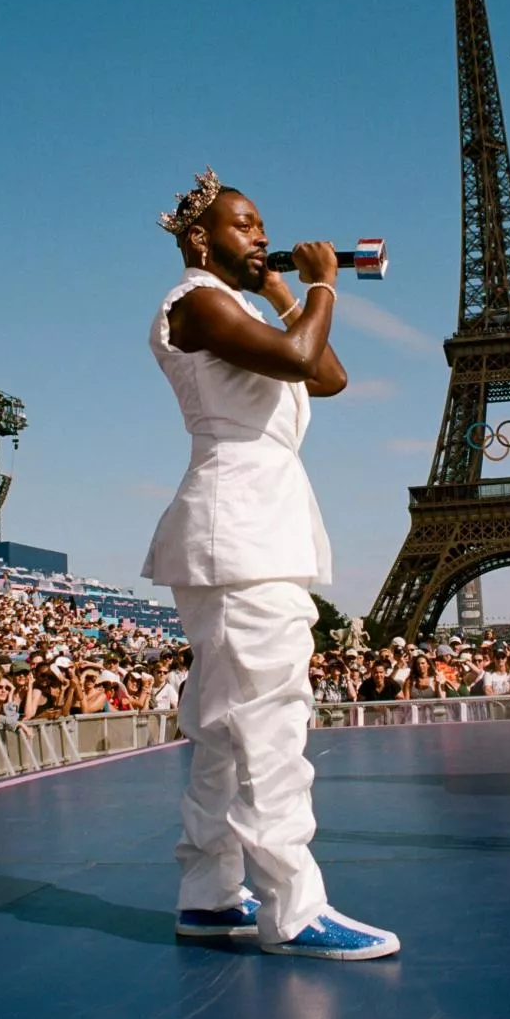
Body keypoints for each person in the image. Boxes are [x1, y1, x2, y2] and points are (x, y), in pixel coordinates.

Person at [142, 169, 399, 960]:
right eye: (245, 224)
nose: (260, 235)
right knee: (271, 720)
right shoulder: (195, 301)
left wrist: (288, 288)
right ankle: (293, 907)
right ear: (200, 239)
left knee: (224, 728)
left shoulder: (243, 306)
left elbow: (330, 375)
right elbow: (298, 355)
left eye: (262, 225)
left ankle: (210, 893)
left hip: (256, 520)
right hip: (242, 528)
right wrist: (323, 283)